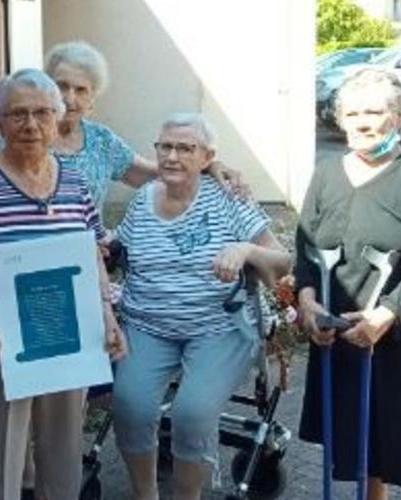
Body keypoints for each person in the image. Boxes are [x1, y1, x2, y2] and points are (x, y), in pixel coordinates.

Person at [0, 68, 125, 500]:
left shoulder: (75, 182)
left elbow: (92, 253)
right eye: (17, 114)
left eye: (42, 112)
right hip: (1, 350)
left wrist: (106, 313)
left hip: (68, 345)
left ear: (58, 119)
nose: (30, 124)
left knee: (62, 462)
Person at [110, 113, 291, 500]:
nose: (172, 156)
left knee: (191, 413)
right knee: (130, 405)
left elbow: (282, 259)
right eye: (165, 147)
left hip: (218, 328)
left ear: (207, 156)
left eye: (185, 148)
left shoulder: (227, 198)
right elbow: (118, 246)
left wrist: (246, 250)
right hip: (147, 325)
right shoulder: (143, 198)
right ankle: (145, 495)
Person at [296, 68, 401, 500]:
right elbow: (306, 248)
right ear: (340, 119)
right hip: (344, 328)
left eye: (375, 111)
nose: (362, 122)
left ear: (400, 116)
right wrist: (307, 301)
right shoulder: (327, 173)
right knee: (366, 449)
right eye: (352, 112)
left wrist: (387, 315)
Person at [44, 41, 245, 219]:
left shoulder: (100, 141)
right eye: (62, 86)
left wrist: (208, 165)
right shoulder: (25, 136)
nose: (69, 98)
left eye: (81, 90)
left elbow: (157, 174)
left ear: (92, 98)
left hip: (88, 252)